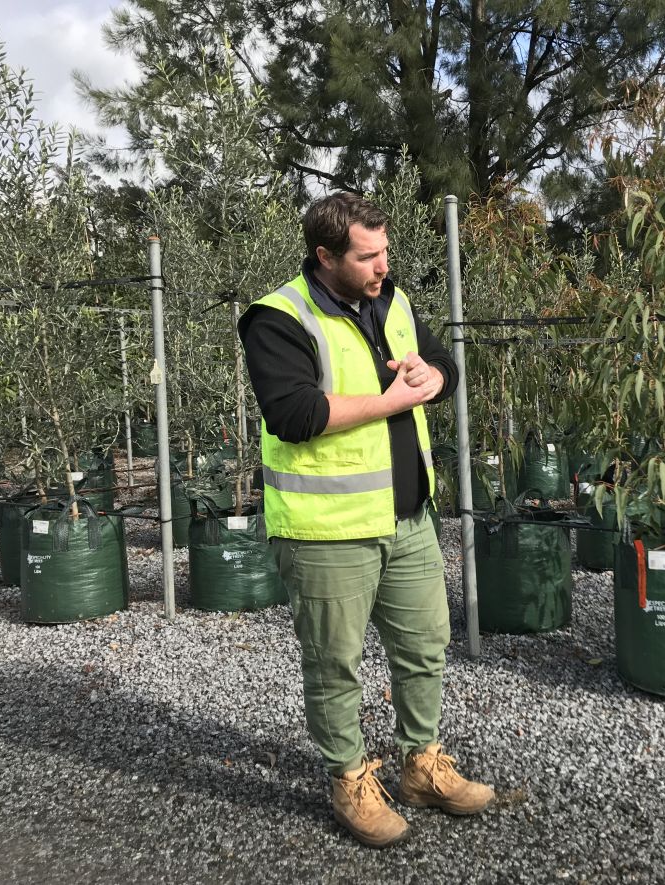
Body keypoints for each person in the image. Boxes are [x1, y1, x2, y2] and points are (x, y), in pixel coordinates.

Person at [238, 192, 493, 848]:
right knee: (335, 662)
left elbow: (447, 370)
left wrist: (429, 375)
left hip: (407, 518)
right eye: (367, 256)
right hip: (328, 530)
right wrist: (389, 401)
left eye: (385, 252)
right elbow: (293, 414)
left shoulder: (393, 299)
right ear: (325, 255)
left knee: (424, 644)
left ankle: (421, 764)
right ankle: (349, 778)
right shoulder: (277, 317)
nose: (383, 265)